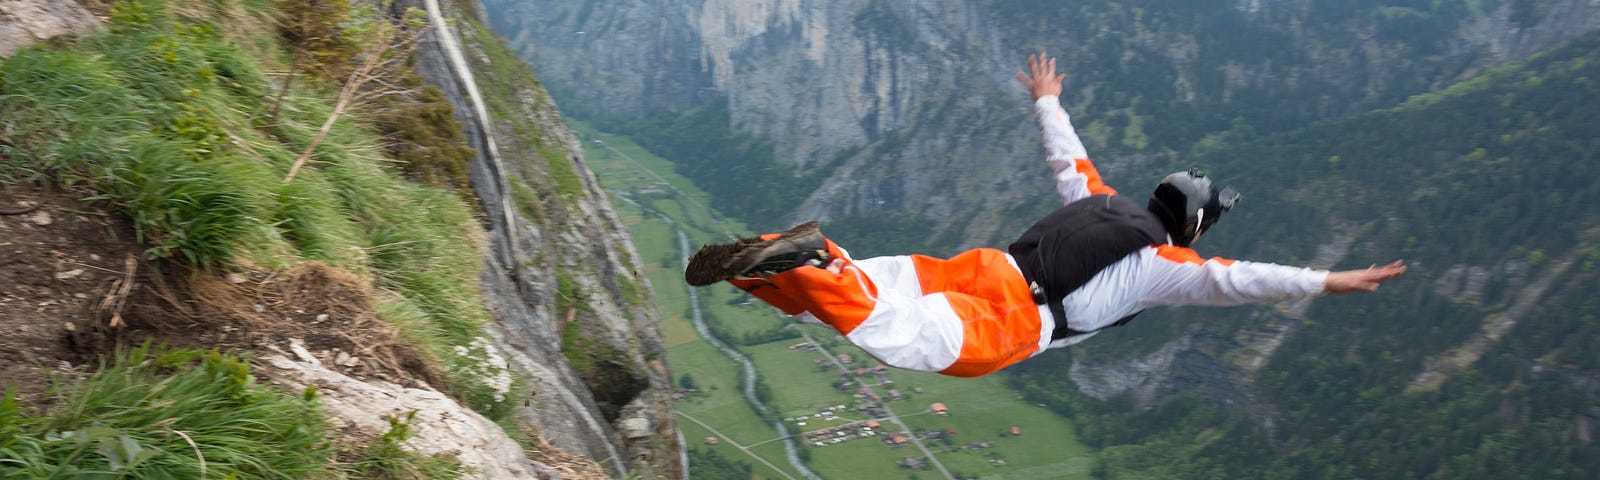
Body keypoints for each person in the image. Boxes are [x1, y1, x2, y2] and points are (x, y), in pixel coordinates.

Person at [685, 53, 1406, 378]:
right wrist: (1327, 280)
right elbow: (1239, 281)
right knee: (905, 337)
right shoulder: (1167, 265)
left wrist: (1046, 98)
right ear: (1193, 224)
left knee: (884, 286)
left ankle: (777, 265)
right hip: (1018, 320)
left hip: (984, 265)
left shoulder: (1100, 199)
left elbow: (1069, 158)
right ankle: (805, 263)